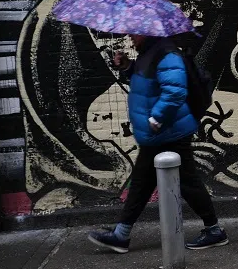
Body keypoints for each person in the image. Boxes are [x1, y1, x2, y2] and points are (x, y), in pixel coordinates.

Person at [87, 34, 229, 253]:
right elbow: (147, 84)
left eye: (134, 32)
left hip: (169, 132)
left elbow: (175, 92)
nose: (130, 36)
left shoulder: (167, 55)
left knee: (183, 183)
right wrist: (127, 67)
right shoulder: (149, 54)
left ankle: (214, 230)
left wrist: (156, 118)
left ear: (146, 31)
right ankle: (122, 234)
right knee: (145, 184)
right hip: (158, 135)